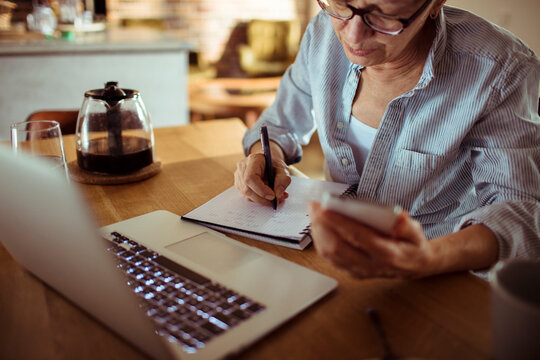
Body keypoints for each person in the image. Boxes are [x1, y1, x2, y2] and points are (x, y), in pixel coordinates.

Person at [234, 0, 540, 279]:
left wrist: (428, 257)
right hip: (329, 253)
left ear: (434, 5)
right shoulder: (322, 33)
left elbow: (519, 210)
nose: (353, 36)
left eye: (383, 15)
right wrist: (268, 155)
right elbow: (279, 122)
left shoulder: (500, 69)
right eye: (341, 4)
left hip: (442, 271)